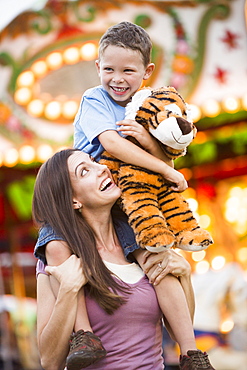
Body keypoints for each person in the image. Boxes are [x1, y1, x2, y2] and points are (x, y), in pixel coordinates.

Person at [33, 149, 215, 370]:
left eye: (94, 161)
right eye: (84, 171)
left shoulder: (142, 244)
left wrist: (184, 275)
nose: (102, 168)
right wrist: (68, 290)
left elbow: (179, 332)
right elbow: (50, 362)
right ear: (73, 201)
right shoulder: (58, 262)